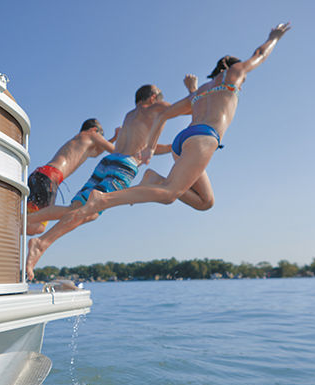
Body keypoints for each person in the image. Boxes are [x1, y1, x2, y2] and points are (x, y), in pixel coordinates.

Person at [30, 22, 291, 269]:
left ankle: (152, 179)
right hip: (203, 138)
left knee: (205, 202)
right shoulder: (234, 75)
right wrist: (274, 38)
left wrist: (153, 147)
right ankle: (103, 200)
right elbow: (259, 55)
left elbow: (168, 115)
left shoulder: (197, 94)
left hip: (181, 143)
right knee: (168, 194)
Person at [25, 82, 194, 280]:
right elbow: (190, 105)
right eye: (160, 96)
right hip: (124, 166)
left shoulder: (129, 116)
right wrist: (192, 89)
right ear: (153, 97)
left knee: (77, 209)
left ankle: (26, 221)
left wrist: (170, 147)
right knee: (91, 211)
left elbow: (142, 147)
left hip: (107, 163)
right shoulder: (156, 107)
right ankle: (41, 244)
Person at [26, 118, 116, 235]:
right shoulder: (92, 134)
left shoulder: (80, 140)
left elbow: (96, 153)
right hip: (50, 177)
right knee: (38, 226)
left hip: (40, 175)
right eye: (101, 135)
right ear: (94, 129)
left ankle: (7, 224)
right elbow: (113, 150)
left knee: (30, 223)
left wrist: (113, 138)